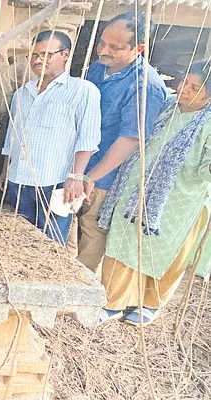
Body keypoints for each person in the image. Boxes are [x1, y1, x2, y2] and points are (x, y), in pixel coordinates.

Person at [97, 61, 211, 325]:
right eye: (184, 81)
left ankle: (150, 303)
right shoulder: (167, 105)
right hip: (136, 187)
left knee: (165, 251)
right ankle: (113, 302)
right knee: (123, 240)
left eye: (195, 88)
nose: (184, 89)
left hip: (181, 199)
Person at [78, 12, 168, 272]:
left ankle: (78, 290)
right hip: (81, 164)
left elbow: (130, 139)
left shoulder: (144, 85)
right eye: (102, 43)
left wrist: (92, 177)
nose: (103, 51)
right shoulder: (97, 67)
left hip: (106, 174)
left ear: (138, 49)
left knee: (92, 228)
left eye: (114, 48)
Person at [0, 30, 101, 244]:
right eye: (33, 56)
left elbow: (88, 139)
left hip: (54, 182)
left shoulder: (82, 91)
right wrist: (5, 170)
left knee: (50, 244)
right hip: (19, 180)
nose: (37, 61)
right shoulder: (22, 93)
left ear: (65, 55)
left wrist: (76, 177)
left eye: (45, 55)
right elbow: (12, 137)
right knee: (17, 241)